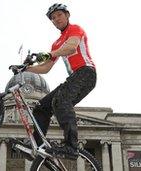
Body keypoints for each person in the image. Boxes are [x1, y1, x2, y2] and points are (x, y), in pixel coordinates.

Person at [25, 3, 97, 158]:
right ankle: (37, 146)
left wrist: (48, 54)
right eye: (53, 18)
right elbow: (46, 68)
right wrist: (25, 69)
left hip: (86, 73)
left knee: (61, 100)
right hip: (74, 77)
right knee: (41, 107)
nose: (56, 19)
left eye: (59, 15)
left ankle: (71, 146)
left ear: (67, 15)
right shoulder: (56, 43)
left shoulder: (75, 29)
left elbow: (71, 48)